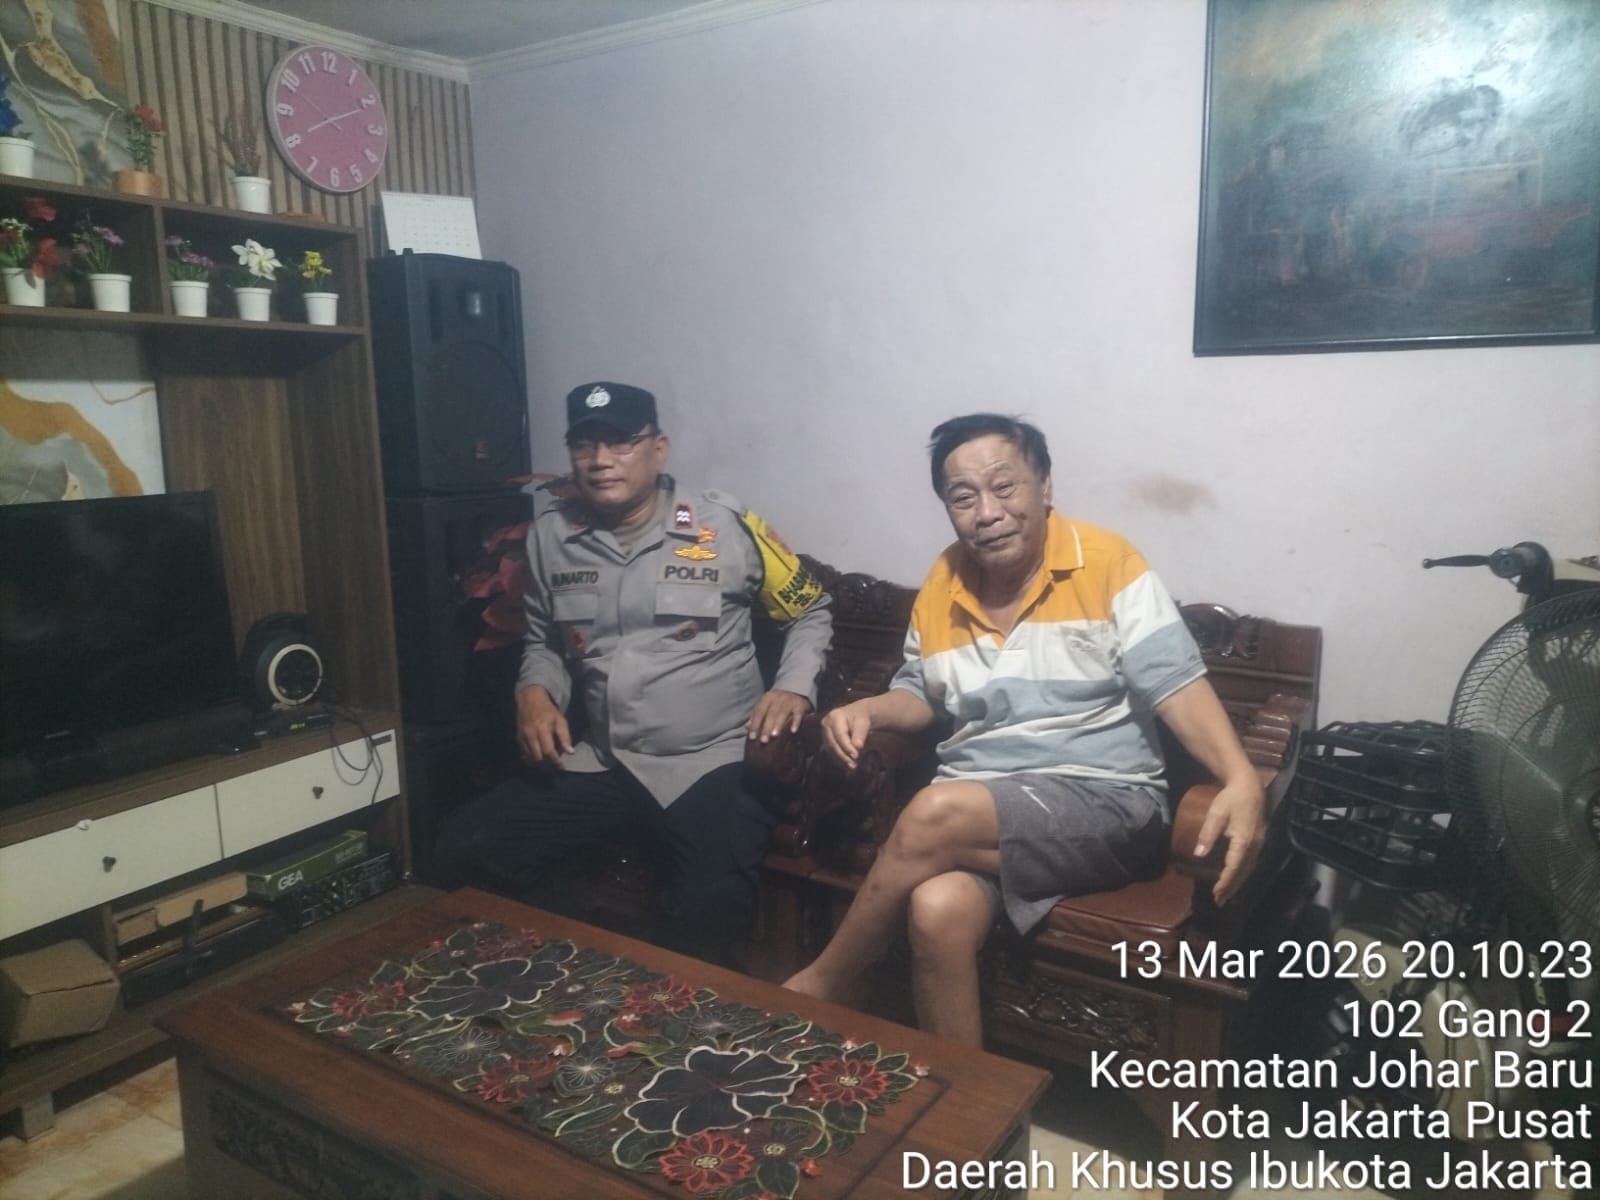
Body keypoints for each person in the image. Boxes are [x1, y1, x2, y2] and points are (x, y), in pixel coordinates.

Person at [784, 413, 1265, 1043]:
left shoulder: (1108, 563)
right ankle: (965, 1089)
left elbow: (1175, 682)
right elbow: (921, 693)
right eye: (963, 497)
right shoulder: (943, 582)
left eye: (1004, 486)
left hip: (1105, 803)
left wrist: (1239, 776)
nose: (987, 512)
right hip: (984, 810)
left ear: (1045, 486)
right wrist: (868, 710)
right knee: (936, 909)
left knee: (932, 812)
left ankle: (825, 984)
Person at [434, 382, 833, 964]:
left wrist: (793, 687)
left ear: (658, 449)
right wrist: (535, 692)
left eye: (620, 442)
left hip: (708, 761)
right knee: (465, 846)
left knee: (710, 904)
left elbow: (810, 610)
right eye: (584, 445)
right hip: (606, 759)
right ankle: (574, 964)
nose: (600, 460)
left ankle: (671, 1004)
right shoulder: (552, 537)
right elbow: (545, 640)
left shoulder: (725, 525)